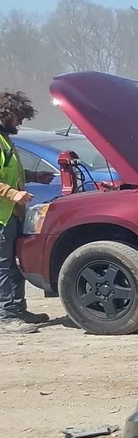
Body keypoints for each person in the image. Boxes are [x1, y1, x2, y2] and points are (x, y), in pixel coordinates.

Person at [0, 89, 55, 334]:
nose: (20, 122)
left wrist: (34, 177)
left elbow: (7, 173)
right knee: (3, 266)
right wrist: (13, 194)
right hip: (2, 215)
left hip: (11, 213)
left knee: (14, 264)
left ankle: (18, 309)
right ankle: (6, 316)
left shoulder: (4, 139)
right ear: (5, 113)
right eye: (18, 117)